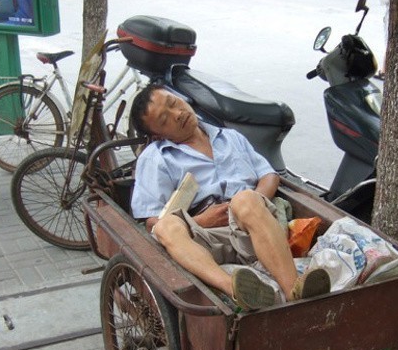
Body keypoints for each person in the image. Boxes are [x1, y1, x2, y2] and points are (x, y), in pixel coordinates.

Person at [129, 84, 331, 311]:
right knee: (165, 227)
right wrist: (200, 221)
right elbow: (151, 221)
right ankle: (238, 292)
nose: (178, 115)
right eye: (165, 119)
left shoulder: (231, 137)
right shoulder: (156, 158)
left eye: (174, 103)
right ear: (158, 135)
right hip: (206, 238)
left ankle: (294, 292)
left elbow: (268, 175)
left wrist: (249, 206)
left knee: (245, 199)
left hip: (255, 227)